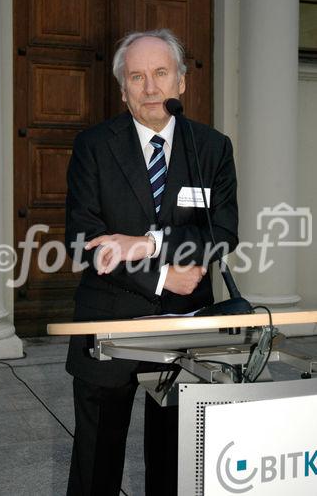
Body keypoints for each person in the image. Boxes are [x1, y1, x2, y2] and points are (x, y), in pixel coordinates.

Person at [65, 28, 238, 496]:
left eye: (161, 73)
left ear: (181, 82)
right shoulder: (94, 147)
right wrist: (164, 274)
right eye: (136, 77)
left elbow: (221, 234)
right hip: (109, 323)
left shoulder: (211, 148)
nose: (150, 88)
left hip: (187, 329)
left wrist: (150, 243)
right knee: (96, 464)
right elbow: (84, 238)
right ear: (123, 90)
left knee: (177, 464)